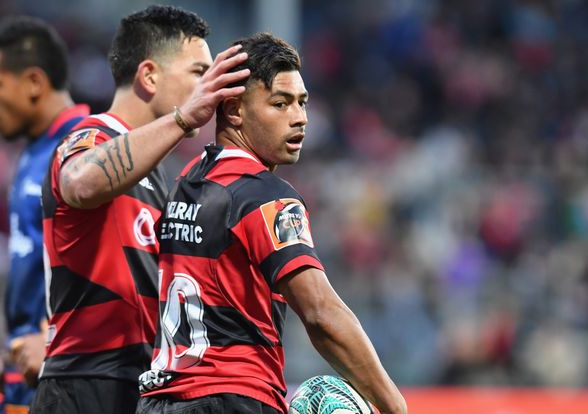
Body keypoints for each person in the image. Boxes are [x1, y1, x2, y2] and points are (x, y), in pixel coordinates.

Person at [137, 32, 407, 414]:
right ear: (233, 110)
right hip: (231, 398)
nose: (299, 118)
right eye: (280, 103)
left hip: (160, 400)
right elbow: (320, 313)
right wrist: (395, 405)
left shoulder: (188, 181)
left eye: (302, 102)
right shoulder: (264, 195)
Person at [34, 5, 250, 414]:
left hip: (142, 384)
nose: (210, 87)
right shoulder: (88, 135)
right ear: (149, 75)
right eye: (198, 73)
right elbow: (80, 184)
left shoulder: (156, 174)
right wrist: (185, 118)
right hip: (84, 382)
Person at [0, 16, 90, 414]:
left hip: (66, 371)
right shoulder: (32, 152)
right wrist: (13, 345)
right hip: (27, 372)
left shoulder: (86, 148)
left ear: (34, 83)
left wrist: (52, 338)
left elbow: (122, 266)